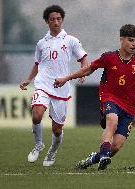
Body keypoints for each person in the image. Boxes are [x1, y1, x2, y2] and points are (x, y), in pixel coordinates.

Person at [54, 24, 135, 170]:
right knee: (112, 120)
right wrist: (66, 78)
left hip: (129, 107)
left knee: (115, 147)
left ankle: (94, 158)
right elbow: (88, 69)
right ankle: (103, 156)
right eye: (131, 40)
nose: (134, 44)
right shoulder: (109, 57)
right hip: (110, 97)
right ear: (121, 40)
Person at [20, 5, 88, 167]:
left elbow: (84, 58)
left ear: (62, 20)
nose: (56, 22)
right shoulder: (41, 44)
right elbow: (37, 64)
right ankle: (38, 144)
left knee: (57, 130)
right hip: (43, 84)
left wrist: (82, 73)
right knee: (36, 115)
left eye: (58, 19)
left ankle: (52, 151)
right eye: (52, 19)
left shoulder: (71, 40)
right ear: (47, 22)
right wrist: (28, 79)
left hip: (61, 87)